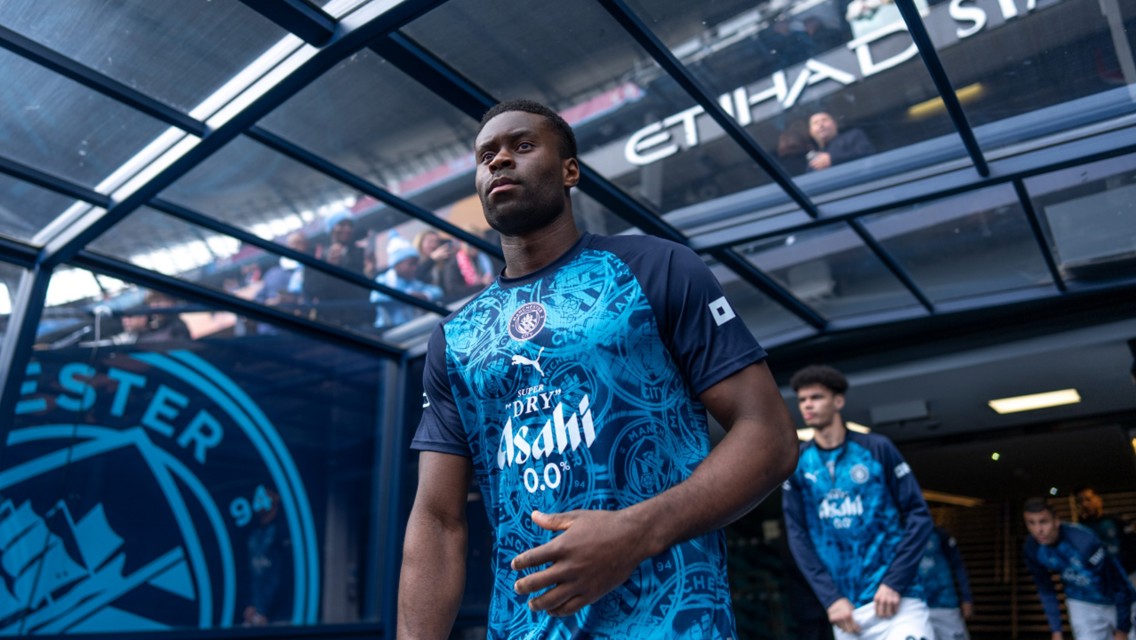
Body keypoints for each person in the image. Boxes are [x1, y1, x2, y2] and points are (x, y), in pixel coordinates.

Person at [397, 99, 797, 639]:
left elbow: (768, 436)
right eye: (485, 154)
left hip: (672, 623)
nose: (498, 161)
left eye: (521, 145)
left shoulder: (657, 267)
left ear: (570, 170)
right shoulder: (455, 339)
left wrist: (638, 531)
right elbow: (438, 520)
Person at [782, 364, 933, 640]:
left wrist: (894, 581)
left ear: (838, 401)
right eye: (803, 400)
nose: (807, 405)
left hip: (898, 600)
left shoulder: (877, 448)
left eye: (816, 397)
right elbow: (797, 535)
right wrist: (830, 598)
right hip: (847, 612)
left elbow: (919, 516)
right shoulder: (798, 465)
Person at [1023, 497, 1136, 640]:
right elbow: (1045, 588)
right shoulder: (1032, 548)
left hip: (1115, 600)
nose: (1038, 530)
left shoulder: (1084, 541)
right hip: (1081, 601)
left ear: (1056, 521)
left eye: (1043, 522)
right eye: (1031, 523)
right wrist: (1056, 630)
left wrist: (1123, 629)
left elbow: (1119, 586)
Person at [305, 212, 372, 328]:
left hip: (360, 318)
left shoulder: (361, 253)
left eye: (350, 225)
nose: (347, 229)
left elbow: (365, 288)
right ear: (331, 228)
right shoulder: (318, 256)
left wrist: (371, 272)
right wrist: (330, 267)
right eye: (341, 225)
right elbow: (312, 290)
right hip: (331, 321)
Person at [920, 524, 973, 640]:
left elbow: (958, 566)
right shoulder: (900, 535)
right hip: (916, 605)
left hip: (945, 603)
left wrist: (966, 597)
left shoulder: (940, 535)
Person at [370, 246, 444, 330]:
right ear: (397, 264)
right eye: (411, 264)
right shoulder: (383, 280)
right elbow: (376, 297)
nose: (415, 268)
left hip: (411, 329)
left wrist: (424, 295)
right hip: (388, 330)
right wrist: (406, 295)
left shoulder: (413, 283)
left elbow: (437, 292)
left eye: (416, 264)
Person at [1076, 487, 1136, 579]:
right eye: (1080, 501)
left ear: (1098, 499)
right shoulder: (1081, 529)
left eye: (1088, 499)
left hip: (1128, 574)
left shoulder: (1116, 520)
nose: (1085, 504)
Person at [806, 111, 875, 171]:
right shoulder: (813, 160)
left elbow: (868, 156)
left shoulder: (853, 136)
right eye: (815, 123)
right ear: (810, 132)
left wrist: (832, 159)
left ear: (835, 124)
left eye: (824, 120)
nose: (821, 125)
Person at [441, 228, 496, 303]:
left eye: (477, 242)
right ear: (461, 243)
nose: (474, 246)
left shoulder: (487, 256)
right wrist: (481, 284)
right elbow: (453, 289)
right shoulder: (453, 264)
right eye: (470, 243)